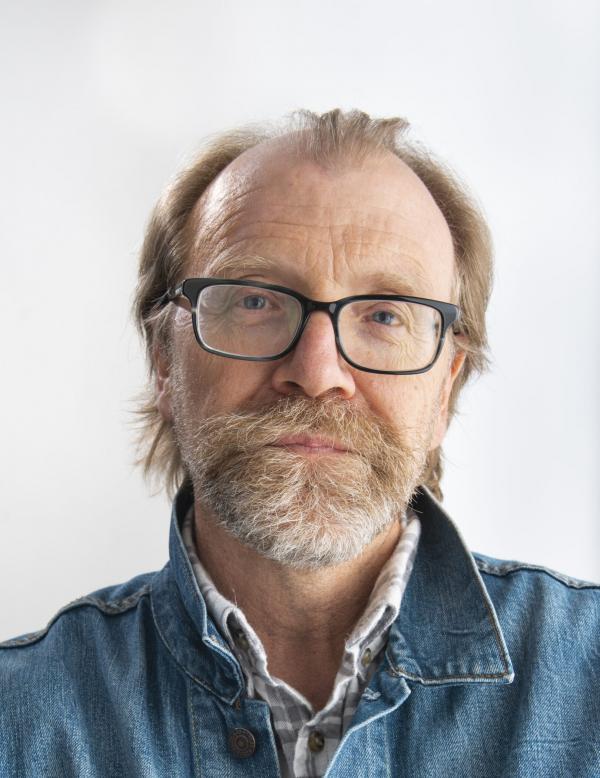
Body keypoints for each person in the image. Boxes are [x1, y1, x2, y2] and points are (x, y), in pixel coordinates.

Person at [1, 109, 598, 778]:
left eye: (383, 315)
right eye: (256, 301)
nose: (317, 374)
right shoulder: (17, 719)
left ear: (447, 388)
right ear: (165, 361)